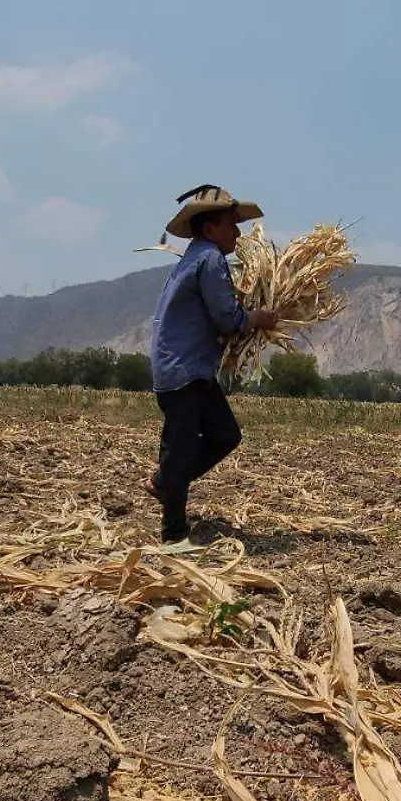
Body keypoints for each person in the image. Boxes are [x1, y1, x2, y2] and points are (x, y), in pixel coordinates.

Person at [145, 185, 279, 543]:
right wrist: (258, 317)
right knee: (180, 448)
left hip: (192, 370)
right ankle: (173, 534)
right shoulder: (209, 260)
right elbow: (227, 318)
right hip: (183, 371)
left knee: (225, 435)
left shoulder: (195, 257)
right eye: (231, 225)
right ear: (210, 229)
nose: (238, 232)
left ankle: (164, 482)